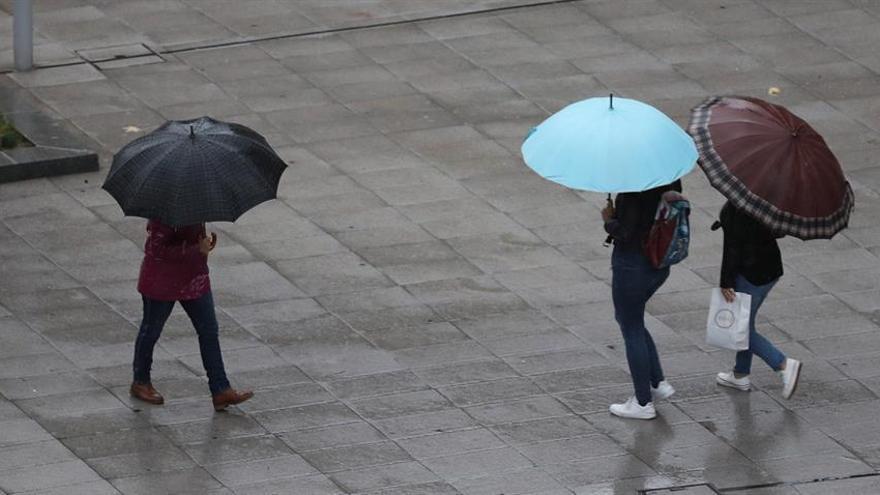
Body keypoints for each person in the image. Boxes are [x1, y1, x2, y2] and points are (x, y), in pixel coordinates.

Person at [130, 219, 253, 411]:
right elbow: (157, 249)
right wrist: (197, 249)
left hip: (194, 278)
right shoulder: (164, 212)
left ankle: (220, 389)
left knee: (209, 331)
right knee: (151, 330)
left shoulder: (195, 205)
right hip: (162, 281)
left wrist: (203, 244)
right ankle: (141, 382)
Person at [602, 180, 681, 420]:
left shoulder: (636, 189)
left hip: (633, 265)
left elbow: (626, 232)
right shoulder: (671, 178)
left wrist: (609, 219)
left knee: (631, 326)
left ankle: (643, 402)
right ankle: (656, 381)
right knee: (631, 319)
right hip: (658, 262)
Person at [713, 202, 801, 399]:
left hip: (750, 275)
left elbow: (732, 249)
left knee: (740, 329)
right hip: (770, 269)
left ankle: (783, 365)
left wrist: (725, 282)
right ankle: (740, 373)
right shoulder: (767, 199)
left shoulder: (735, 209)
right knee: (746, 322)